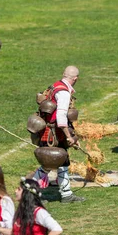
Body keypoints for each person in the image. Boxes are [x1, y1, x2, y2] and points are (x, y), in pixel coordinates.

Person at [35, 66, 86, 203]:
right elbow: (61, 117)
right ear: (75, 79)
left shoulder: (56, 85)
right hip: (54, 133)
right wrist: (69, 137)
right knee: (47, 165)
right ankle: (31, 194)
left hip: (52, 131)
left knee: (63, 162)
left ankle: (66, 194)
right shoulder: (63, 92)